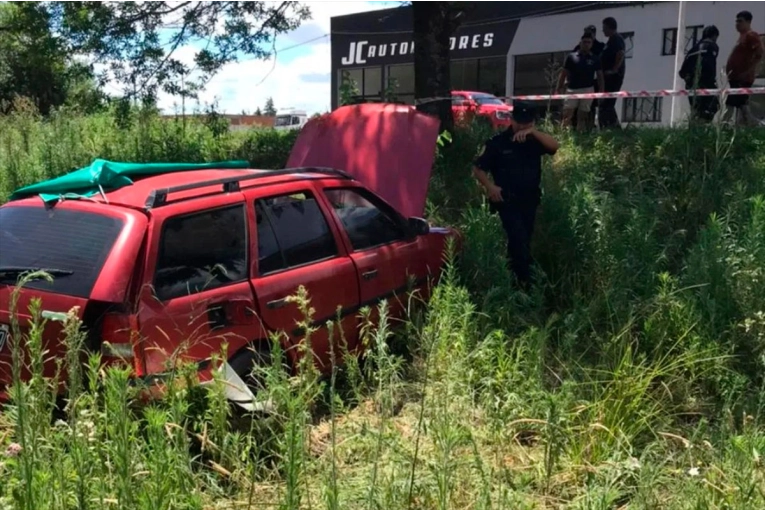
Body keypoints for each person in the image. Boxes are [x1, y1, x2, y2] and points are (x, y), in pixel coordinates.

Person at [472, 101, 559, 290]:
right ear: (512, 120)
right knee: (518, 239)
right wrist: (490, 187)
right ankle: (527, 284)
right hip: (507, 200)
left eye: (527, 123)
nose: (522, 126)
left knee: (523, 240)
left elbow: (554, 147)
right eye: (519, 122)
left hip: (529, 200)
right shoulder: (498, 143)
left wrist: (533, 133)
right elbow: (478, 169)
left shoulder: (535, 141)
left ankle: (514, 281)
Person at [723, 10, 764, 126]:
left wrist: (747, 72)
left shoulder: (751, 35)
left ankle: (723, 126)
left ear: (748, 22)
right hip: (736, 78)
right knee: (743, 107)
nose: (737, 24)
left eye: (740, 21)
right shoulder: (742, 36)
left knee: (731, 104)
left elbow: (759, 54)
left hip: (743, 79)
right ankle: (755, 127)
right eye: (736, 21)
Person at [558, 32, 605, 131]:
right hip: (572, 89)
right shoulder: (571, 57)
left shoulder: (595, 59)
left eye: (589, 42)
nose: (586, 44)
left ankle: (581, 135)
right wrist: (559, 87)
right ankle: (564, 135)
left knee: (583, 115)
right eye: (584, 42)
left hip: (588, 89)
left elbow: (600, 76)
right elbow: (563, 73)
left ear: (591, 44)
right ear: (580, 43)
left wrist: (601, 90)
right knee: (567, 114)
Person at [679, 25, 720, 122]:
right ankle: (701, 129)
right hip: (705, 83)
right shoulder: (712, 46)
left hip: (691, 86)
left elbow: (682, 72)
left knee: (696, 110)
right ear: (714, 36)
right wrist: (711, 82)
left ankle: (693, 132)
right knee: (712, 107)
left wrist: (689, 79)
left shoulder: (692, 50)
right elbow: (709, 66)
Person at [573, 25, 606, 129]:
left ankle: (590, 126)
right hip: (579, 81)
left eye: (590, 33)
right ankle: (577, 127)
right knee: (577, 106)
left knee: (591, 106)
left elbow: (601, 67)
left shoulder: (600, 46)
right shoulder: (578, 47)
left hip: (593, 80)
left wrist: (601, 88)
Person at [599, 17, 626, 129]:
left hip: (613, 77)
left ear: (610, 27)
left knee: (607, 104)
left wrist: (614, 70)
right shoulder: (611, 40)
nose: (603, 30)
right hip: (608, 77)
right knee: (606, 104)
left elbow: (620, 54)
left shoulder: (616, 39)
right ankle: (610, 126)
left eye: (604, 28)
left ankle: (613, 127)